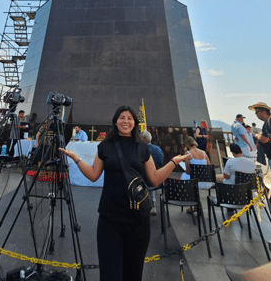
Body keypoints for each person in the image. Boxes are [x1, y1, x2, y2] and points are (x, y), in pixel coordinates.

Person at [59, 105, 188, 281]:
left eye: (129, 118)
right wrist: (76, 158)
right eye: (122, 117)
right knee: (109, 275)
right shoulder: (105, 145)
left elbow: (155, 179)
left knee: (133, 275)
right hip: (109, 220)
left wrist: (173, 162)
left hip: (138, 221)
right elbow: (93, 175)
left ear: (134, 123)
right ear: (115, 121)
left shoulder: (142, 147)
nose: (125, 121)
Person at [142, 130, 164, 216]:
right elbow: (161, 164)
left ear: (144, 139)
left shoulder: (140, 150)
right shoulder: (158, 149)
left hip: (142, 181)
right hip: (156, 181)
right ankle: (153, 204)